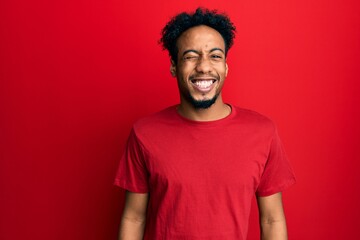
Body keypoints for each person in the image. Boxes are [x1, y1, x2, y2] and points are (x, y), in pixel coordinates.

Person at [115, 7, 296, 240]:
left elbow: (272, 219)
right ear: (174, 66)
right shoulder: (144, 133)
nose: (203, 66)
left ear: (226, 67)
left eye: (215, 56)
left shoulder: (263, 132)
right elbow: (134, 218)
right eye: (190, 56)